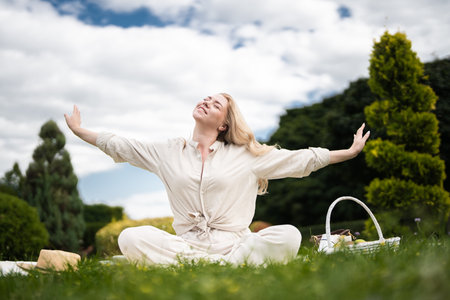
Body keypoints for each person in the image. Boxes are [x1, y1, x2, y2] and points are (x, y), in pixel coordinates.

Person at [64, 93, 370, 265]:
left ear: (224, 123)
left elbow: (300, 160)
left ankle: (207, 266)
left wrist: (349, 151)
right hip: (188, 246)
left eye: (216, 104)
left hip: (236, 246)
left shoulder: (248, 155)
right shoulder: (168, 152)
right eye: (205, 98)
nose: (206, 102)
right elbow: (123, 145)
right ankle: (219, 267)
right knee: (130, 237)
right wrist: (81, 131)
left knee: (288, 234)